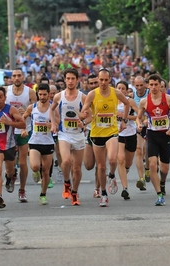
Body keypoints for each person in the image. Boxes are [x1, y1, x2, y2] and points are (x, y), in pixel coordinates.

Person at [82, 69, 130, 207]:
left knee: (112, 160)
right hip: (97, 134)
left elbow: (127, 103)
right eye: (100, 80)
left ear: (110, 80)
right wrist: (82, 115)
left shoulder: (116, 92)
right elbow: (84, 109)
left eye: (105, 80)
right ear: (98, 80)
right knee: (101, 167)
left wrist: (124, 121)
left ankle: (112, 175)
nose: (103, 82)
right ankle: (103, 194)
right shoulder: (92, 94)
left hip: (112, 131)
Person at [136, 74, 170, 206]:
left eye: (156, 84)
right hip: (152, 135)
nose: (153, 87)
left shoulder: (168, 99)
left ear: (160, 85)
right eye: (151, 85)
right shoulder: (144, 101)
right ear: (147, 86)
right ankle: (159, 195)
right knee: (152, 164)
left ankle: (162, 182)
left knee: (165, 168)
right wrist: (140, 124)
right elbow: (138, 117)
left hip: (165, 135)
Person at [50, 68, 86, 206]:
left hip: (78, 135)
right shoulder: (59, 96)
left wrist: (83, 122)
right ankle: (66, 182)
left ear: (77, 80)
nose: (70, 81)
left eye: (73, 79)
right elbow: (51, 110)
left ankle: (75, 193)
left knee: (77, 169)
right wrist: (53, 123)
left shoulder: (82, 97)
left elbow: (90, 116)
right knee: (65, 162)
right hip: (64, 134)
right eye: (68, 78)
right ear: (64, 80)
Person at [5, 68, 37, 203]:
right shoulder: (6, 91)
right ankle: (10, 175)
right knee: (10, 165)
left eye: (19, 76)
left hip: (25, 129)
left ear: (23, 77)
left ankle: (22, 190)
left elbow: (37, 110)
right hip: (8, 130)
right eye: (14, 76)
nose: (16, 78)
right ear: (11, 78)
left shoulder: (30, 92)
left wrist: (28, 111)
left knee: (23, 162)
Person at [23, 84, 54, 205]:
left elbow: (58, 123)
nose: (42, 97)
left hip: (48, 142)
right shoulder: (32, 107)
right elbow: (24, 117)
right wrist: (23, 129)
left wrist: (51, 125)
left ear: (49, 94)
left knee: (46, 172)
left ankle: (43, 194)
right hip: (34, 141)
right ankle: (35, 172)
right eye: (40, 94)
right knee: (35, 166)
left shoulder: (53, 108)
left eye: (44, 94)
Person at [116, 81, 138, 200]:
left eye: (123, 88)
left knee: (127, 163)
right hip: (118, 133)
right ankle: (125, 189)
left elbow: (139, 115)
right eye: (118, 88)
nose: (120, 90)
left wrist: (125, 116)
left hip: (130, 133)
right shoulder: (112, 102)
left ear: (126, 90)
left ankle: (126, 169)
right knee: (120, 159)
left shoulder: (129, 101)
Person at [82, 74, 101, 198]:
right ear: (88, 85)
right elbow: (83, 114)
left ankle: (98, 189)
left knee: (101, 164)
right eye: (91, 83)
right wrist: (82, 122)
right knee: (89, 165)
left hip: (104, 133)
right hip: (90, 132)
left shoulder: (107, 95)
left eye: (96, 83)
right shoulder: (85, 98)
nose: (94, 85)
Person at [133, 76, 150, 191]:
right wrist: (139, 121)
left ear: (145, 84)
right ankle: (141, 178)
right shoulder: (132, 96)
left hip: (150, 125)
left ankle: (147, 168)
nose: (139, 88)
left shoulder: (150, 93)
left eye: (141, 85)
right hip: (138, 125)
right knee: (139, 151)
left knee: (147, 150)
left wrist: (147, 119)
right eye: (137, 85)